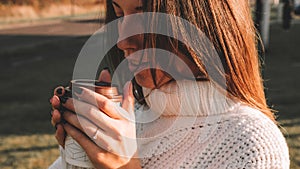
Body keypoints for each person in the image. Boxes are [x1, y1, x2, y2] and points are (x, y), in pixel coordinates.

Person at [49, 0, 290, 168]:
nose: (122, 42)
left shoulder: (251, 144)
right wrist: (79, 152)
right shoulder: (132, 120)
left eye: (144, 15)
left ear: (202, 21)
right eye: (120, 15)